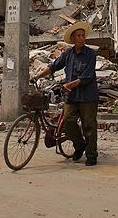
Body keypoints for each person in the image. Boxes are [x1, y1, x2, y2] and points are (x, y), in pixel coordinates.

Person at [30, 21, 99, 166]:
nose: (82, 38)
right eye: (78, 36)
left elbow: (87, 77)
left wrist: (70, 85)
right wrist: (37, 76)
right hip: (72, 96)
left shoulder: (90, 54)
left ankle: (92, 154)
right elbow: (53, 66)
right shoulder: (68, 54)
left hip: (87, 96)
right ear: (73, 39)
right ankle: (79, 146)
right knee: (68, 121)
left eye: (83, 35)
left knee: (89, 126)